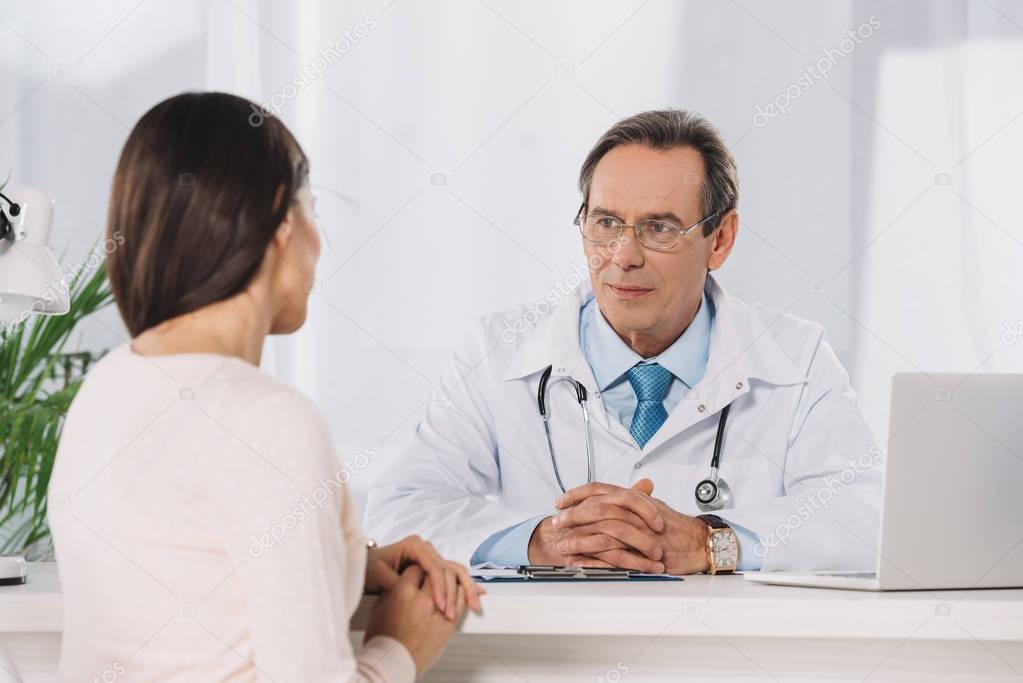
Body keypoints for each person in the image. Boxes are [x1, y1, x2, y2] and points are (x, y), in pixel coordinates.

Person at [47, 92, 481, 682]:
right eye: (314, 208)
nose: (319, 239)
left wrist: (347, 559)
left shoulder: (104, 388)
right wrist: (399, 648)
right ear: (280, 221)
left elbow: (190, 586)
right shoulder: (268, 421)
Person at [365, 109, 883, 576]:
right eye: (606, 223)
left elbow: (871, 516)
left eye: (660, 228)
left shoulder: (796, 357)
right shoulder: (496, 350)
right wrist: (542, 540)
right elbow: (399, 510)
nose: (623, 256)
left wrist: (711, 542)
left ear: (720, 240)